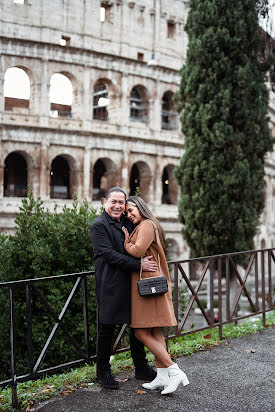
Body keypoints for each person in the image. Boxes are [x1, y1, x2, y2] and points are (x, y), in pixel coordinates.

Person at [90, 187, 158, 390]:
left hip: (132, 281)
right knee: (106, 328)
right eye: (114, 202)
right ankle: (103, 373)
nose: (118, 206)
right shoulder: (98, 225)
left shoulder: (128, 222)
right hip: (110, 283)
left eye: (122, 203)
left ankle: (141, 367)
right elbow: (108, 254)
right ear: (105, 202)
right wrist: (139, 264)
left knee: (137, 325)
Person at [122, 196, 189, 395]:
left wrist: (126, 241)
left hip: (148, 286)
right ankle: (161, 375)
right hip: (150, 284)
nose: (129, 214)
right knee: (154, 333)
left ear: (141, 207)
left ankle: (174, 371)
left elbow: (137, 250)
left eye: (131, 210)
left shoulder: (146, 225)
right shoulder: (147, 225)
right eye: (127, 212)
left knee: (140, 333)